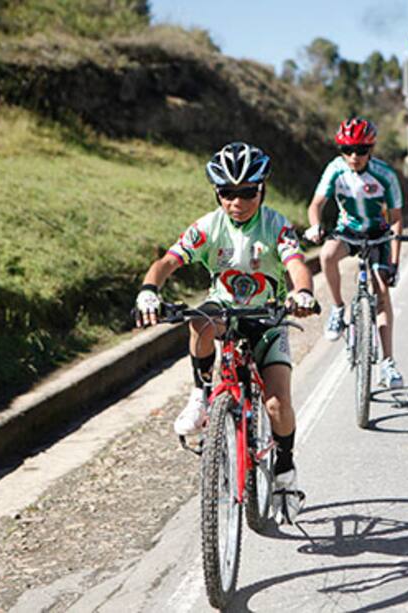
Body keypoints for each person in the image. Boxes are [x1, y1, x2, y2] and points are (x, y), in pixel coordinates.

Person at [134, 142, 317, 524]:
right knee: (198, 319)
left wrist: (302, 293)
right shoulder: (207, 227)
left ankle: (284, 471)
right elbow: (167, 261)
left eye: (247, 192)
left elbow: (297, 264)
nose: (237, 201)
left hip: (268, 316)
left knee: (276, 403)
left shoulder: (275, 225)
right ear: (217, 193)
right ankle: (201, 393)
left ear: (261, 190)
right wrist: (149, 290)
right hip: (225, 310)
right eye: (227, 193)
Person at [304, 118, 405, 389]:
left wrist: (394, 261)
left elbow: (396, 218)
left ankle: (388, 363)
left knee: (382, 293)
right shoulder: (335, 170)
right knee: (326, 255)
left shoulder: (385, 174)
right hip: (348, 230)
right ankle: (338, 308)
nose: (353, 156)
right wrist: (316, 225)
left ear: (370, 149)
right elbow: (316, 204)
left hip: (378, 235)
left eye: (360, 150)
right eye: (346, 150)